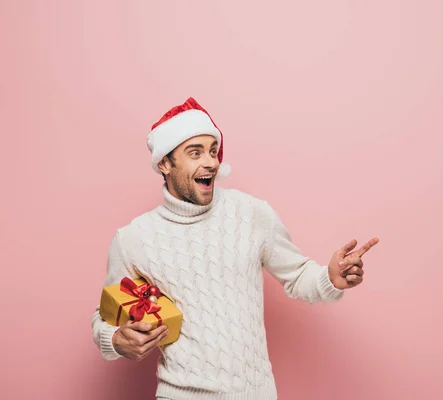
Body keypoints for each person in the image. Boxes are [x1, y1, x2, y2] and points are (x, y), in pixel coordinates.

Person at [91, 97, 379, 400]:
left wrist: (330, 277)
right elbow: (104, 319)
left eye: (213, 151)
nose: (211, 162)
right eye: (195, 152)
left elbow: (298, 276)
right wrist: (115, 340)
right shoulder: (134, 238)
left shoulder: (252, 213)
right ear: (164, 163)